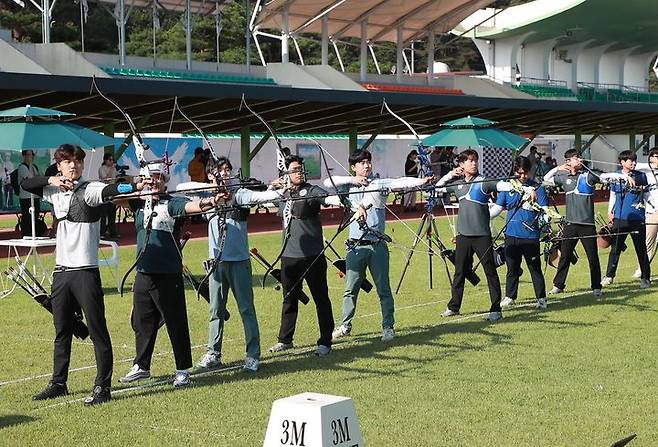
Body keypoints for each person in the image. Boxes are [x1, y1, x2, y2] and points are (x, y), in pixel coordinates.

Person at [22, 144, 146, 405]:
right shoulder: (54, 190)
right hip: (61, 273)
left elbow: (112, 190)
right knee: (62, 330)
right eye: (68, 162)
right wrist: (52, 180)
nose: (74, 165)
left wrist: (135, 186)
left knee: (98, 330)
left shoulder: (90, 189)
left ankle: (103, 387)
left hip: (85, 272)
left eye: (78, 161)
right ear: (59, 165)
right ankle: (58, 382)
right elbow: (26, 183)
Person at [118, 164, 222, 388]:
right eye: (149, 178)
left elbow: (191, 206)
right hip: (143, 272)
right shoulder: (138, 202)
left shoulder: (171, 202)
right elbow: (114, 196)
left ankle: (182, 370)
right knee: (142, 321)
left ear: (165, 181)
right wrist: (136, 187)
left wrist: (210, 202)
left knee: (176, 323)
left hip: (168, 273)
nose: (154, 182)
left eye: (158, 178)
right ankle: (141, 366)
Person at [326, 149, 434, 341]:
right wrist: (353, 181)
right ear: (354, 167)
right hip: (355, 247)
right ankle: (344, 325)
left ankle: (388, 327)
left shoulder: (379, 184)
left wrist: (421, 182)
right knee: (350, 289)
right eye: (361, 163)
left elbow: (400, 182)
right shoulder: (347, 186)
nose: (366, 165)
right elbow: (328, 182)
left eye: (368, 162)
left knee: (383, 289)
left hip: (377, 246)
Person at [193, 157, 282, 371]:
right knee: (215, 310)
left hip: (239, 261)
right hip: (216, 263)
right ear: (210, 174)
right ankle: (213, 353)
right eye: (219, 170)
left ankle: (253, 355)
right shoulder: (206, 196)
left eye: (227, 170)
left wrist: (279, 190)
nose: (225, 173)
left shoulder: (239, 193)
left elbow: (261, 197)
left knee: (246, 309)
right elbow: (183, 188)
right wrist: (214, 195)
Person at [269, 155, 342, 356]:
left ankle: (325, 341)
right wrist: (272, 187)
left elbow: (326, 197)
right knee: (289, 298)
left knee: (321, 298)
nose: (299, 172)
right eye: (294, 170)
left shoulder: (310, 191)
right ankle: (285, 339)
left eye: (300, 169)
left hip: (313, 256)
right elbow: (264, 199)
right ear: (286, 174)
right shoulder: (283, 194)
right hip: (289, 256)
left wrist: (340, 198)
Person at [436, 149, 521, 322]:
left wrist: (518, 185)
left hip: (482, 236)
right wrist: (450, 174)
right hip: (463, 236)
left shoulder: (484, 182)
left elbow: (501, 186)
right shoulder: (457, 184)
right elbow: (438, 189)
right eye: (469, 161)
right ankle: (454, 307)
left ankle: (495, 308)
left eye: (475, 160)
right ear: (461, 164)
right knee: (459, 272)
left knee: (490, 271)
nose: (473, 163)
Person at [543, 149, 625, 296]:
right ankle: (558, 285)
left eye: (580, 157)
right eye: (576, 158)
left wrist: (622, 176)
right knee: (565, 256)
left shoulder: (588, 176)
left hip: (587, 225)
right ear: (568, 161)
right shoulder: (563, 178)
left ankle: (596, 287)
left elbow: (606, 176)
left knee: (592, 257)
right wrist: (557, 168)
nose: (580, 160)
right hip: (570, 225)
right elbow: (545, 180)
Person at [489, 156, 549, 309]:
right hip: (511, 234)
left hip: (530, 236)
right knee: (512, 268)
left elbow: (545, 212)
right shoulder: (508, 187)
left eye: (526, 172)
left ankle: (541, 298)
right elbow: (497, 209)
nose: (523, 176)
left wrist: (541, 220)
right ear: (514, 171)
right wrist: (481, 215)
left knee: (534, 268)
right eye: (519, 172)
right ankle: (510, 297)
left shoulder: (537, 187)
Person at [600, 150, 650, 288]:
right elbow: (613, 195)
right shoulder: (615, 176)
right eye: (630, 160)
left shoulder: (641, 176)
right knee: (615, 248)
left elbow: (646, 195)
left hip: (638, 217)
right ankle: (609, 276)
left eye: (634, 160)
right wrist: (610, 210)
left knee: (641, 249)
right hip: (620, 218)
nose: (633, 163)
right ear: (622, 162)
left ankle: (645, 278)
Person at [633, 147, 658, 278]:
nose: (655, 159)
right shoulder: (646, 171)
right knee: (648, 243)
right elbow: (634, 166)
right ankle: (642, 268)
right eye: (654, 156)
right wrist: (651, 165)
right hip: (652, 211)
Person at [17, 150, 40, 236]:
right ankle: (25, 234)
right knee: (27, 217)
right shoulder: (22, 167)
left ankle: (34, 234)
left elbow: (39, 177)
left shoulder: (34, 166)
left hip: (35, 196)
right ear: (24, 156)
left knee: (35, 216)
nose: (31, 157)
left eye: (32, 155)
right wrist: (30, 164)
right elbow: (30, 178)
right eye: (29, 155)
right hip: (26, 197)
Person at [98, 153, 120, 240]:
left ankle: (113, 232)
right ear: (105, 160)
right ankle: (102, 232)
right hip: (104, 191)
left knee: (112, 213)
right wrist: (111, 169)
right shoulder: (102, 169)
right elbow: (107, 179)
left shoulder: (114, 169)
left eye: (112, 160)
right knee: (103, 214)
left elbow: (114, 180)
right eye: (109, 160)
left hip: (112, 192)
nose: (111, 162)